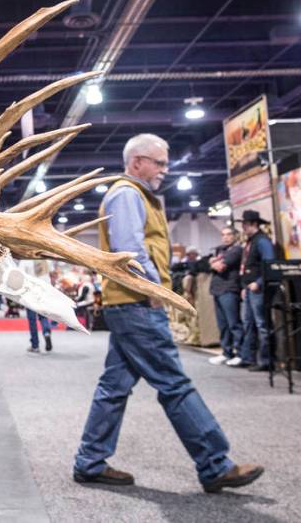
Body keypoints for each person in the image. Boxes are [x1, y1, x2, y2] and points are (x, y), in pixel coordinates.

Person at [73, 133, 263, 493]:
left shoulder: (133, 194)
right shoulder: (128, 194)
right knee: (174, 384)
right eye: (159, 162)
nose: (165, 168)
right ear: (136, 162)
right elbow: (130, 252)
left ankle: (89, 461)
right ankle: (214, 463)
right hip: (138, 302)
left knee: (114, 387)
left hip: (127, 303)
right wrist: (155, 290)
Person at [233, 210, 276, 371]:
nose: (243, 227)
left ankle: (266, 360)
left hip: (258, 288)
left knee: (261, 324)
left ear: (253, 224)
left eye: (244, 224)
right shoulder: (252, 241)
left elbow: (269, 263)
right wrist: (246, 286)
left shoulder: (262, 241)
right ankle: (249, 357)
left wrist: (258, 282)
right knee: (249, 323)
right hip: (250, 288)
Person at [208, 227, 244, 366]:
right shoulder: (221, 250)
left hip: (229, 290)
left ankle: (240, 353)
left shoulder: (236, 250)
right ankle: (226, 352)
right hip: (217, 290)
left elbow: (220, 267)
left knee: (234, 323)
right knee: (223, 325)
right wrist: (212, 261)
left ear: (235, 236)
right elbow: (208, 263)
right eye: (223, 235)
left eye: (229, 234)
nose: (225, 237)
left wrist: (213, 262)